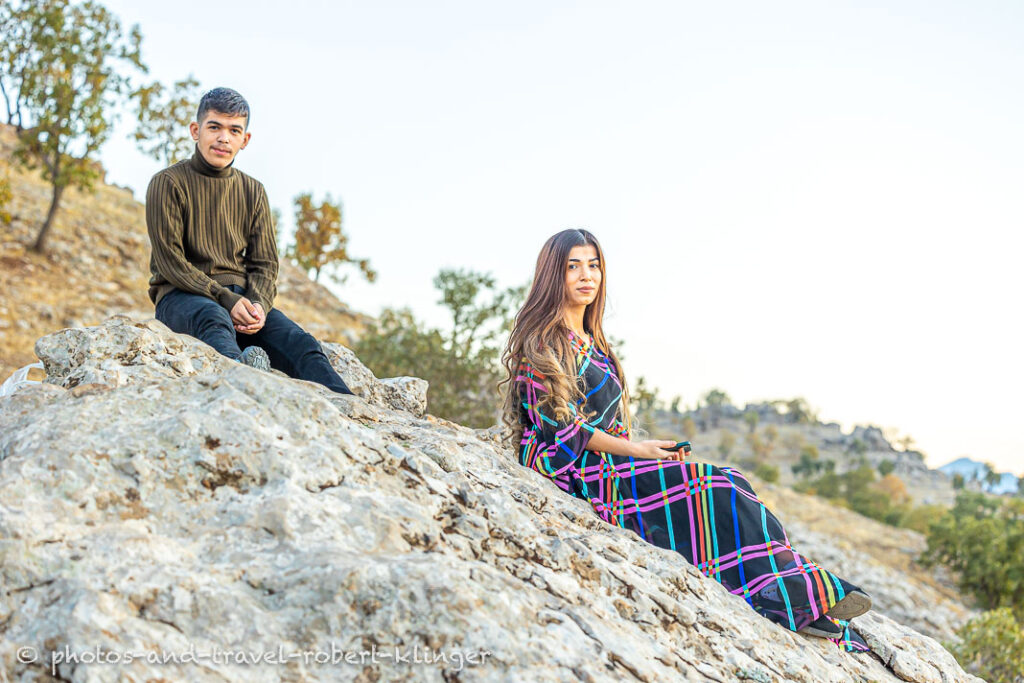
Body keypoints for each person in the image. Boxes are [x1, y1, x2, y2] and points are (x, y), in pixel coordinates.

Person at [500, 229, 872, 652]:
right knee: (712, 490)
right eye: (573, 267)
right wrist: (636, 452)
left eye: (594, 265)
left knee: (730, 481)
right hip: (573, 471)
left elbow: (613, 428)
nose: (587, 276)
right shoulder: (543, 342)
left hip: (614, 463)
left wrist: (651, 452)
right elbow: (559, 427)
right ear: (553, 274)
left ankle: (792, 590)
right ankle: (791, 595)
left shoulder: (597, 346)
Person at [145, 87, 352, 394]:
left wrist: (258, 306)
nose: (223, 138)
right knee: (213, 317)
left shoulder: (253, 191)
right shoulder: (168, 183)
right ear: (195, 130)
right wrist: (226, 300)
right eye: (214, 127)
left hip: (242, 300)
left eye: (233, 130)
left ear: (245, 140)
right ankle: (246, 385)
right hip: (181, 298)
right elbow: (170, 261)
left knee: (299, 341)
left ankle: (348, 411)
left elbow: (265, 263)